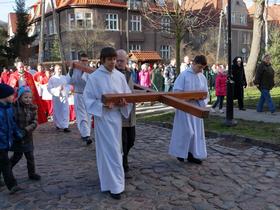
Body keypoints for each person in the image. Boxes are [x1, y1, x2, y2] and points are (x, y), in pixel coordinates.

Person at [83, 47, 132, 200]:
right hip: (103, 119)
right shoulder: (94, 77)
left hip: (116, 118)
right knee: (109, 151)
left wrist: (124, 102)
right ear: (102, 60)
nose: (112, 62)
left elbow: (127, 96)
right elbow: (88, 99)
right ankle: (115, 186)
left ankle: (112, 183)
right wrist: (102, 105)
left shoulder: (119, 76)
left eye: (114, 59)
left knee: (116, 150)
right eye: (109, 59)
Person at [169, 55, 208, 164]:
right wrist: (189, 97)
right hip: (184, 109)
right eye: (199, 67)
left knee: (196, 133)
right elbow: (176, 91)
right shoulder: (184, 75)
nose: (201, 70)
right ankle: (181, 153)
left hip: (196, 109)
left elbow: (206, 93)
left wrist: (202, 99)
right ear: (193, 64)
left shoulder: (202, 77)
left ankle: (192, 154)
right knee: (186, 131)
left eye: (202, 68)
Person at [10, 86, 41, 181]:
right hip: (17, 137)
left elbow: (35, 122)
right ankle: (6, 170)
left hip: (27, 136)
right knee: (17, 156)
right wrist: (16, 132)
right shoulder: (14, 106)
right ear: (20, 97)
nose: (28, 99)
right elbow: (11, 120)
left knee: (30, 156)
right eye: (25, 97)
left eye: (30, 97)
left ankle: (32, 173)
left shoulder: (33, 108)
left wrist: (26, 130)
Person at [0, 84, 24, 194]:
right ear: (4, 96)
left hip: (7, 141)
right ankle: (12, 185)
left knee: (5, 162)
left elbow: (12, 123)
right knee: (5, 163)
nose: (13, 97)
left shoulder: (9, 108)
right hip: (1, 142)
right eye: (11, 95)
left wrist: (17, 134)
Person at [116, 49, 136, 173]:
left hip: (131, 113)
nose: (119, 63)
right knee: (123, 141)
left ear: (126, 61)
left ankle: (124, 157)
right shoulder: (113, 74)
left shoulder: (130, 72)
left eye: (121, 61)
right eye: (117, 60)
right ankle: (124, 163)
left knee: (131, 139)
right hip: (119, 113)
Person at [68, 53, 92, 145]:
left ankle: (87, 132)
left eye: (86, 60)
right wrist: (70, 70)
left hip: (88, 95)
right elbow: (70, 81)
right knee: (81, 115)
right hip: (78, 94)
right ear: (79, 61)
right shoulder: (75, 69)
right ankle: (86, 135)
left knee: (88, 115)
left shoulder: (91, 70)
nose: (84, 62)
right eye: (83, 60)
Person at [47, 65, 71, 132]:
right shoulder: (52, 79)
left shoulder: (64, 77)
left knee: (65, 111)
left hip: (64, 96)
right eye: (58, 69)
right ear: (55, 70)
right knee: (57, 111)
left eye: (60, 69)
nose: (59, 70)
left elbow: (69, 85)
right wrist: (57, 89)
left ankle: (65, 126)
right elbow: (49, 88)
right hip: (56, 97)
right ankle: (58, 124)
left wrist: (65, 89)